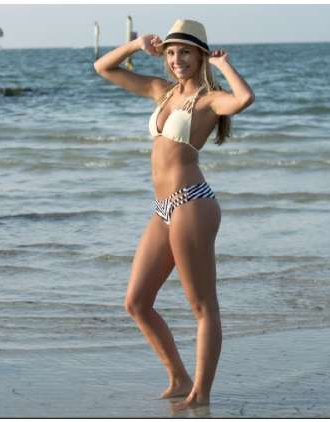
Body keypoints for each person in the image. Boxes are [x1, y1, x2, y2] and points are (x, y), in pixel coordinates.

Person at [94, 19, 255, 409]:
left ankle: (201, 393)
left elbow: (244, 98)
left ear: (199, 55)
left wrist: (222, 65)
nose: (176, 59)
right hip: (163, 208)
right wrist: (136, 46)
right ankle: (180, 379)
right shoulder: (161, 91)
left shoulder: (209, 99)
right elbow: (103, 67)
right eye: (170, 52)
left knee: (203, 306)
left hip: (192, 203)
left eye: (184, 52)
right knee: (136, 301)